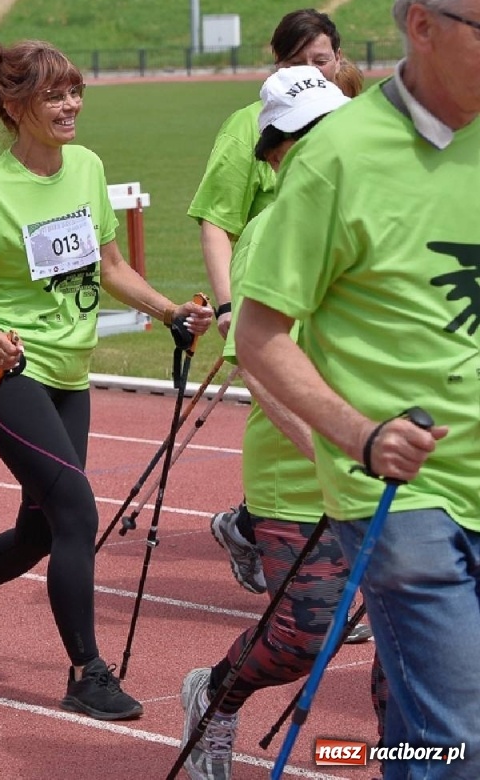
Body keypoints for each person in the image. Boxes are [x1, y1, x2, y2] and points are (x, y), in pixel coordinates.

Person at [236, 0, 480, 780]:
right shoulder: (338, 158)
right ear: (423, 24)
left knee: (428, 729)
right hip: (406, 495)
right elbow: (257, 333)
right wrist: (359, 434)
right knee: (459, 739)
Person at [0, 40, 212, 722]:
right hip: (6, 375)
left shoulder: (85, 167)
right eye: (54, 95)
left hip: (70, 373)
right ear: (16, 106)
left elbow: (109, 265)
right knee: (77, 511)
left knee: (43, 531)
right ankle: (87, 672)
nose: (71, 104)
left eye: (75, 90)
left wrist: (171, 312)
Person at [176, 67, 386, 780]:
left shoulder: (380, 212)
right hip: (301, 476)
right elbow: (261, 367)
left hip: (401, 470)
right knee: (303, 637)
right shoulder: (272, 227)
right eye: (309, 134)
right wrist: (335, 455)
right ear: (277, 149)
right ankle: (215, 697)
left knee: (411, 643)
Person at [186, 9, 364, 597]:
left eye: (322, 59)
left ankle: (248, 523)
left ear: (339, 58)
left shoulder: (359, 112)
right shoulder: (249, 128)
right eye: (298, 62)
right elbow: (218, 221)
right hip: (273, 282)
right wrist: (233, 307)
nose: (314, 69)